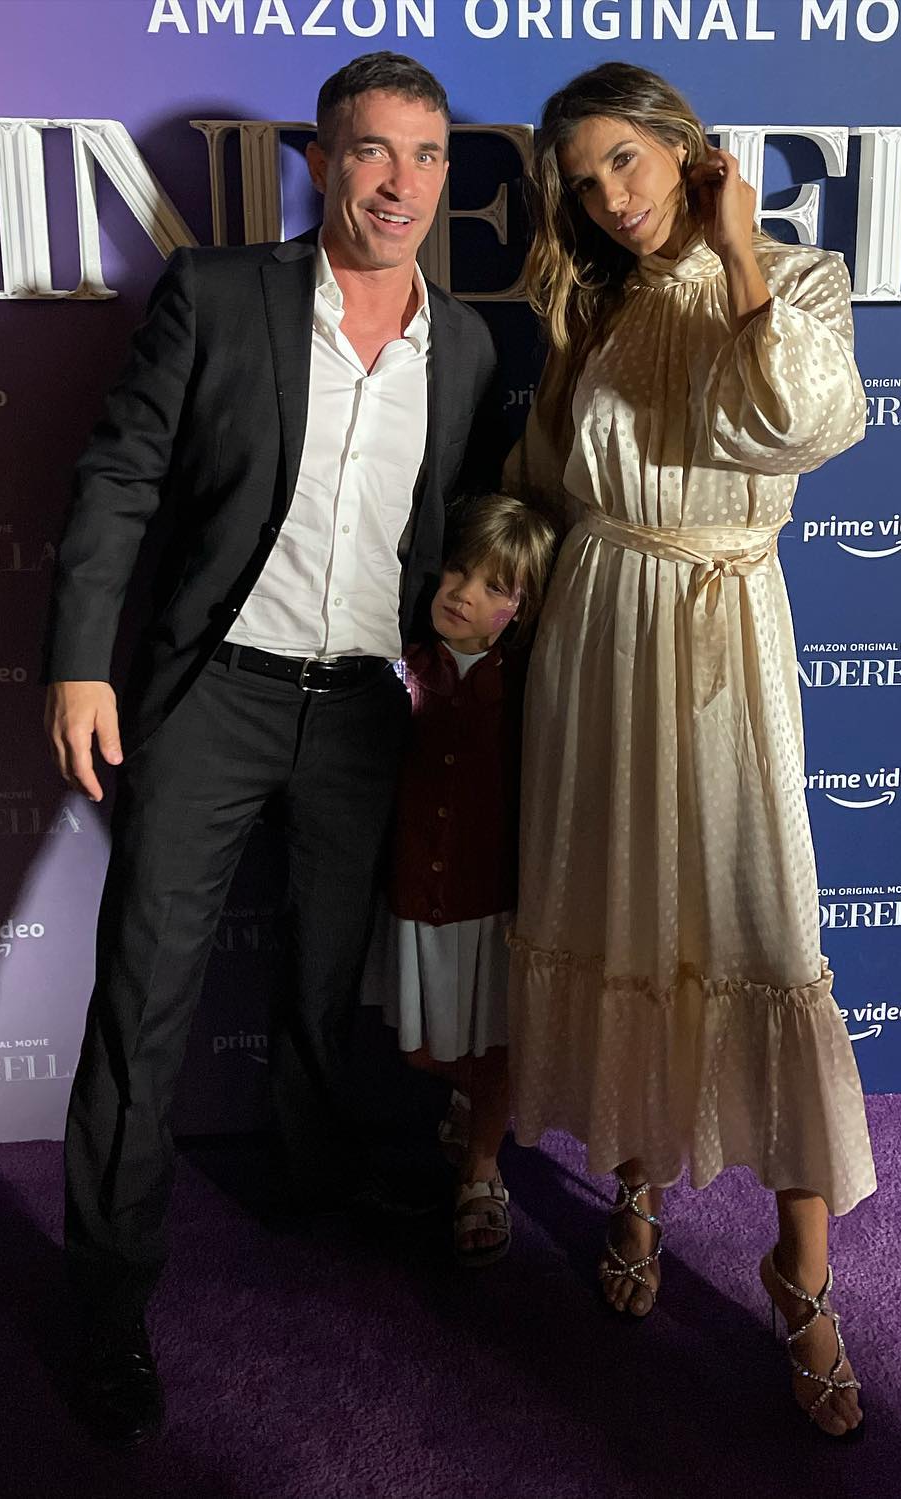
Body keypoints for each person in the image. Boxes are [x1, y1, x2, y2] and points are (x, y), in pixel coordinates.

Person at [41, 53, 500, 1446]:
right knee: (145, 992)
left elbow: (445, 534)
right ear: (319, 162)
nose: (400, 183)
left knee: (323, 974)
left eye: (426, 155)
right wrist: (78, 660)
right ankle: (105, 1295)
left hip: (362, 708)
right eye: (372, 150)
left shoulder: (469, 346)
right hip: (211, 696)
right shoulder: (219, 294)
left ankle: (309, 1178)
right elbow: (120, 476)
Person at [504, 62, 876, 1439]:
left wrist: (739, 252)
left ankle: (803, 1274)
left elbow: (795, 422)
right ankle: (638, 1187)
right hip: (600, 632)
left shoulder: (803, 279)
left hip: (722, 626)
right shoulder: (589, 306)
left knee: (762, 933)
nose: (612, 196)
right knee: (625, 911)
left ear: (686, 148)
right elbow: (548, 480)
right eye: (585, 178)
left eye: (627, 159)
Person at [368, 495, 555, 1267]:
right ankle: (471, 1099)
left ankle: (482, 1167)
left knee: (495, 1043)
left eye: (493, 586)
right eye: (457, 569)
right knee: (422, 1049)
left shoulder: (529, 687)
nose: (464, 593)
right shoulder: (403, 669)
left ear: (521, 610)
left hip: (492, 903)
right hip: (417, 894)